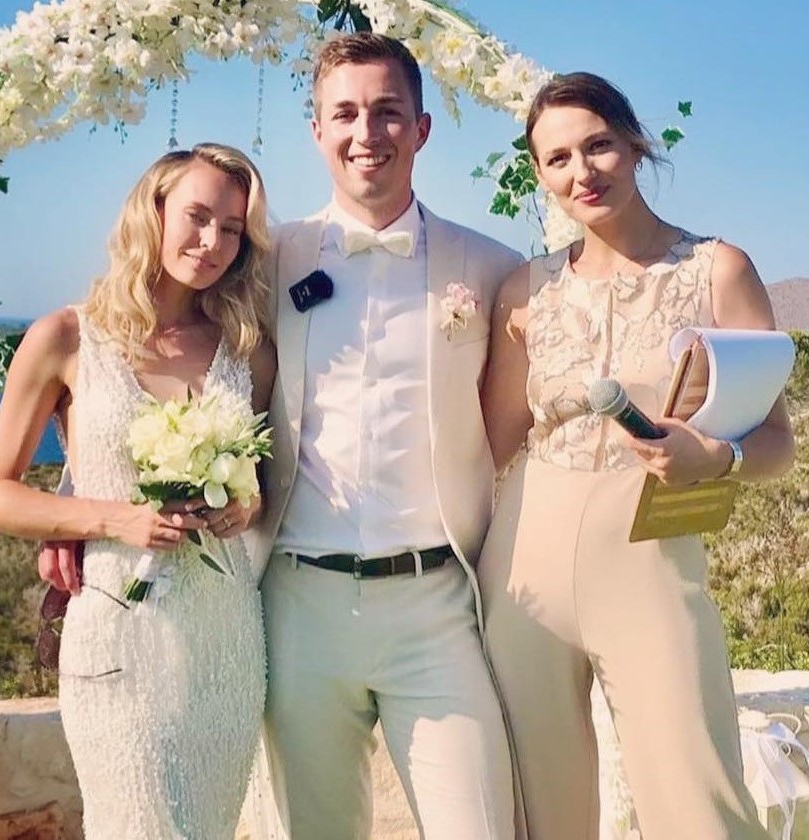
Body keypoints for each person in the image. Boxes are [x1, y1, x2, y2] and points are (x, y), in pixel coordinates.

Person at [478, 72, 796, 839]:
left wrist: (713, 458)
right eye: (557, 160)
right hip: (523, 569)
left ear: (634, 145)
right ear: (539, 173)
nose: (581, 173)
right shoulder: (524, 293)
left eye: (598, 147)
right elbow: (489, 448)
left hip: (653, 563)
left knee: (698, 803)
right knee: (539, 813)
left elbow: (778, 442)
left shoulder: (718, 270)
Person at [251, 32, 521, 840]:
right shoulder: (264, 260)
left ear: (422, 128)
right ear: (318, 131)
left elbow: (516, 429)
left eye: (387, 112)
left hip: (438, 607)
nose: (366, 131)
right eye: (346, 113)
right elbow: (169, 362)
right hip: (299, 605)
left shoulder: (493, 267)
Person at [0, 143, 277, 838]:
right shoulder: (66, 337)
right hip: (118, 639)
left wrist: (245, 503)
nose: (213, 242)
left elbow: (264, 481)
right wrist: (113, 518)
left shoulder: (247, 345)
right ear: (153, 212)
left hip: (224, 639)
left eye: (232, 229)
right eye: (198, 216)